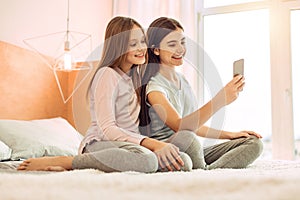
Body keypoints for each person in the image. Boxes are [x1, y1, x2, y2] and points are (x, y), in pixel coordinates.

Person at [17, 16, 192, 172]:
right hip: (100, 144)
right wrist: (151, 143)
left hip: (128, 145)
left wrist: (158, 144)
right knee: (147, 161)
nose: (141, 48)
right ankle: (69, 161)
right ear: (118, 47)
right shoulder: (107, 75)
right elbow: (107, 129)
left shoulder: (135, 78)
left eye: (142, 41)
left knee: (181, 160)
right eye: (133, 44)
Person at [139, 17, 263, 170]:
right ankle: (206, 170)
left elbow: (193, 125)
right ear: (156, 50)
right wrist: (220, 100)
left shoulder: (181, 80)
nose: (180, 49)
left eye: (182, 42)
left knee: (254, 142)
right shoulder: (154, 86)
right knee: (187, 137)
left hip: (190, 147)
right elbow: (180, 126)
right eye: (172, 44)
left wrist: (230, 134)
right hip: (170, 150)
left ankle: (208, 170)